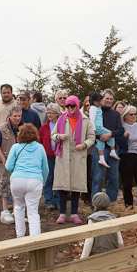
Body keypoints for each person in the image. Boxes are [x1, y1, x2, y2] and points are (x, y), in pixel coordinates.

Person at [52, 96, 95, 225]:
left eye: (73, 106)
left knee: (76, 186)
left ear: (77, 105)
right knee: (62, 186)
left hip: (78, 156)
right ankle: (62, 213)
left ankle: (75, 213)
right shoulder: (61, 119)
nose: (70, 109)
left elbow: (92, 137)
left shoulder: (86, 120)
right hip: (63, 156)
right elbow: (53, 135)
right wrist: (59, 136)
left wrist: (85, 145)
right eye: (67, 106)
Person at [76, 192, 125, 272]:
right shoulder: (113, 218)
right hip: (111, 254)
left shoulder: (92, 220)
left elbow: (89, 240)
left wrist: (83, 258)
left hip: (96, 254)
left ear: (95, 205)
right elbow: (120, 240)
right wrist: (121, 253)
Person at [5, 123, 49, 237]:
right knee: (33, 211)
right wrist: (42, 182)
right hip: (35, 181)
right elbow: (45, 169)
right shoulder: (40, 148)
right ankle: (35, 239)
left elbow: (8, 166)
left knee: (18, 207)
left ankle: (20, 237)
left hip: (17, 180)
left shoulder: (15, 147)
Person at [0, 106, 23, 224]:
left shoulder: (22, 127)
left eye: (19, 116)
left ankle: (17, 211)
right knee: (5, 184)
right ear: (10, 116)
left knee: (17, 186)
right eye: (15, 116)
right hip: (5, 160)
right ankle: (5, 211)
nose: (17, 118)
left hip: (20, 162)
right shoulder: (1, 128)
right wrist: (3, 160)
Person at [92, 90, 123, 202]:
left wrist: (110, 134)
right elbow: (91, 128)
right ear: (101, 99)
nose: (109, 100)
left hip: (113, 149)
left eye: (111, 99)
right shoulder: (96, 111)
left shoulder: (116, 114)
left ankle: (110, 202)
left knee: (114, 177)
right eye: (107, 98)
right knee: (98, 177)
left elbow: (120, 130)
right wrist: (100, 137)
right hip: (99, 149)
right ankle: (96, 203)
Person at [119, 105, 137, 209]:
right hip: (127, 155)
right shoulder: (121, 127)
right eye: (131, 114)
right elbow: (119, 143)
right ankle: (129, 204)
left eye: (135, 114)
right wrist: (124, 137)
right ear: (125, 115)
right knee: (127, 182)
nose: (133, 116)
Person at [39, 103, 61, 210]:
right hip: (48, 156)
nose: (49, 114)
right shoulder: (44, 127)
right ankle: (49, 200)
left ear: (57, 114)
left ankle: (58, 200)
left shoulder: (62, 125)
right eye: (47, 112)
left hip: (60, 155)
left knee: (58, 178)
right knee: (48, 177)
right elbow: (40, 142)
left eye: (51, 112)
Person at [88, 92, 119, 169]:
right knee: (109, 133)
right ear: (96, 101)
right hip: (97, 127)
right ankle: (112, 150)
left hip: (99, 128)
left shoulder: (99, 108)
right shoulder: (93, 108)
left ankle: (101, 158)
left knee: (100, 142)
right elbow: (91, 119)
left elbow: (120, 130)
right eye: (104, 99)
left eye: (111, 99)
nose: (104, 101)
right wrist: (94, 130)